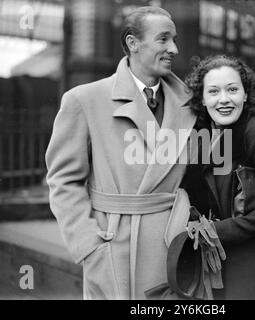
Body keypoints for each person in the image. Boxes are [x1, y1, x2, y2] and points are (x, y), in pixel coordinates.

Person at [45, 6, 197, 300]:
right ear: (132, 43)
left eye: (174, 39)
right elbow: (63, 182)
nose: (174, 49)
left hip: (174, 248)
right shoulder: (84, 100)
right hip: (113, 248)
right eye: (163, 39)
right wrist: (89, 247)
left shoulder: (191, 104)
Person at [182, 55, 255, 299]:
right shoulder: (197, 137)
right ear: (202, 99)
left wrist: (221, 231)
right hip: (201, 260)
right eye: (213, 91)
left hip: (245, 261)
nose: (224, 99)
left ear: (246, 94)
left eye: (232, 89)